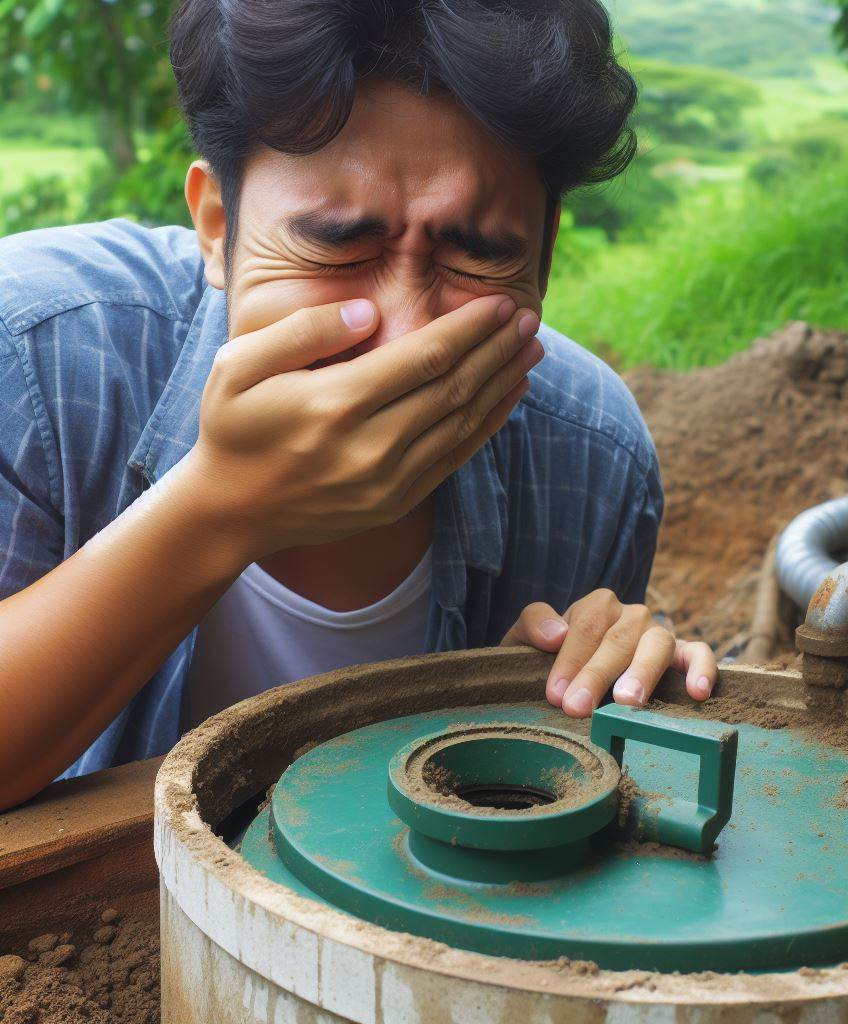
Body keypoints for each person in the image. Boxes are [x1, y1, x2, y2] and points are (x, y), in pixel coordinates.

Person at [0, 0, 717, 810]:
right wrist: (216, 508)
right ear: (216, 226)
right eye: (339, 244)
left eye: (474, 256)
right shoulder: (35, 356)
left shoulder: (594, 459)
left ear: (545, 258)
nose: (406, 335)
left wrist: (534, 705)